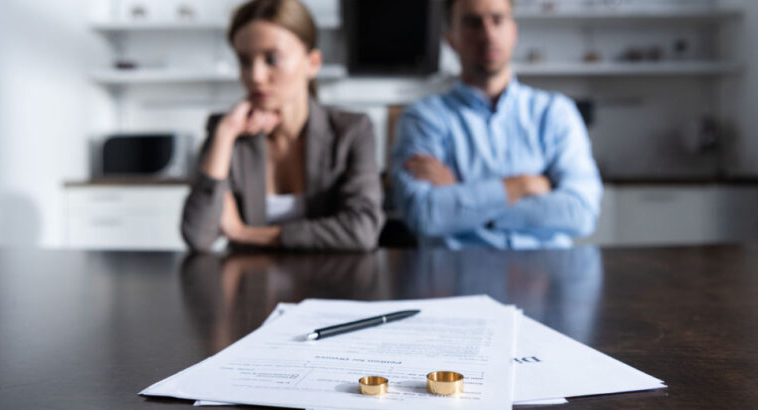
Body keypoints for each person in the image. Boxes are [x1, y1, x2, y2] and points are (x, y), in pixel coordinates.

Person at [391, 0, 602, 249]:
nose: (488, 34)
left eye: (498, 20)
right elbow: (424, 214)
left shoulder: (556, 112)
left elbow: (582, 213)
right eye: (472, 23)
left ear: (514, 31)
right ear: (450, 40)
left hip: (547, 278)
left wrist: (463, 197)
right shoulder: (423, 118)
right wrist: (521, 186)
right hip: (457, 278)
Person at [181, 0, 383, 252]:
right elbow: (198, 236)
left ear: (313, 63)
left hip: (327, 283)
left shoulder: (352, 130)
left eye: (272, 58)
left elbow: (362, 231)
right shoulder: (228, 131)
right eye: (245, 61)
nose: (255, 76)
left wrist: (245, 234)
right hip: (250, 286)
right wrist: (225, 135)